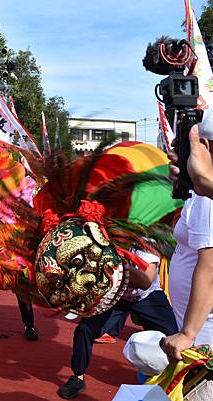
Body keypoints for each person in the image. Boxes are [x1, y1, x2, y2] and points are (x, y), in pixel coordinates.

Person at [57, 249, 178, 399]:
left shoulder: (145, 244)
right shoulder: (104, 240)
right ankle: (77, 377)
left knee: (174, 335)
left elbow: (145, 282)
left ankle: (177, 379)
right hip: (117, 296)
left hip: (147, 297)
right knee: (85, 329)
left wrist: (119, 263)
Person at [164, 124, 213, 360]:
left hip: (205, 330)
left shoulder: (208, 200)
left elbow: (211, 265)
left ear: (204, 146)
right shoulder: (203, 191)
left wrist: (188, 332)